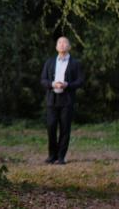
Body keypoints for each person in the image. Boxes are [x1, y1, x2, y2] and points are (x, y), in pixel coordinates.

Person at [40, 36, 84, 165]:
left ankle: (61, 157)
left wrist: (67, 85)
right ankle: (51, 155)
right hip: (51, 100)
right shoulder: (49, 62)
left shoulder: (75, 63)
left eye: (65, 43)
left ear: (69, 47)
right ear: (56, 47)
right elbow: (43, 80)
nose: (62, 44)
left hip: (67, 100)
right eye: (59, 42)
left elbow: (80, 81)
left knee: (65, 129)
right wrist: (53, 84)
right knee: (51, 127)